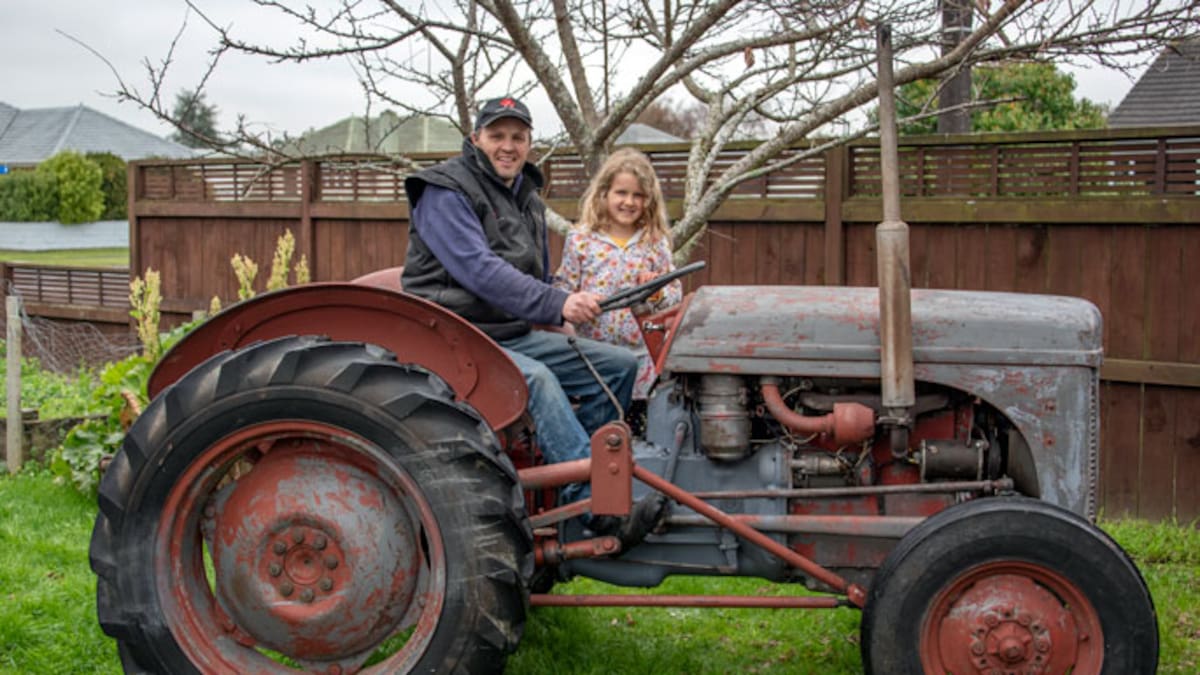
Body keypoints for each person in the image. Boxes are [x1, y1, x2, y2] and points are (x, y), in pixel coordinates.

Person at [400, 96, 643, 526]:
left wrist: (562, 309)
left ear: (530, 143)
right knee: (539, 381)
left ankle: (576, 482)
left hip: (508, 332)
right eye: (497, 136)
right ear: (475, 139)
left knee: (618, 365)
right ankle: (589, 501)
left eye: (518, 136)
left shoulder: (526, 198)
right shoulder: (444, 191)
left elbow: (534, 275)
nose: (508, 146)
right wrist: (556, 302)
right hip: (453, 335)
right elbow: (479, 270)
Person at [554, 148, 682, 401]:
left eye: (638, 195)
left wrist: (657, 292)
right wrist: (574, 304)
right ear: (603, 194)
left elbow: (674, 293)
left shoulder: (654, 243)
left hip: (642, 355)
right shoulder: (581, 239)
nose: (629, 202)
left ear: (649, 200)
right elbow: (563, 288)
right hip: (593, 356)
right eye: (621, 193)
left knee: (639, 427)